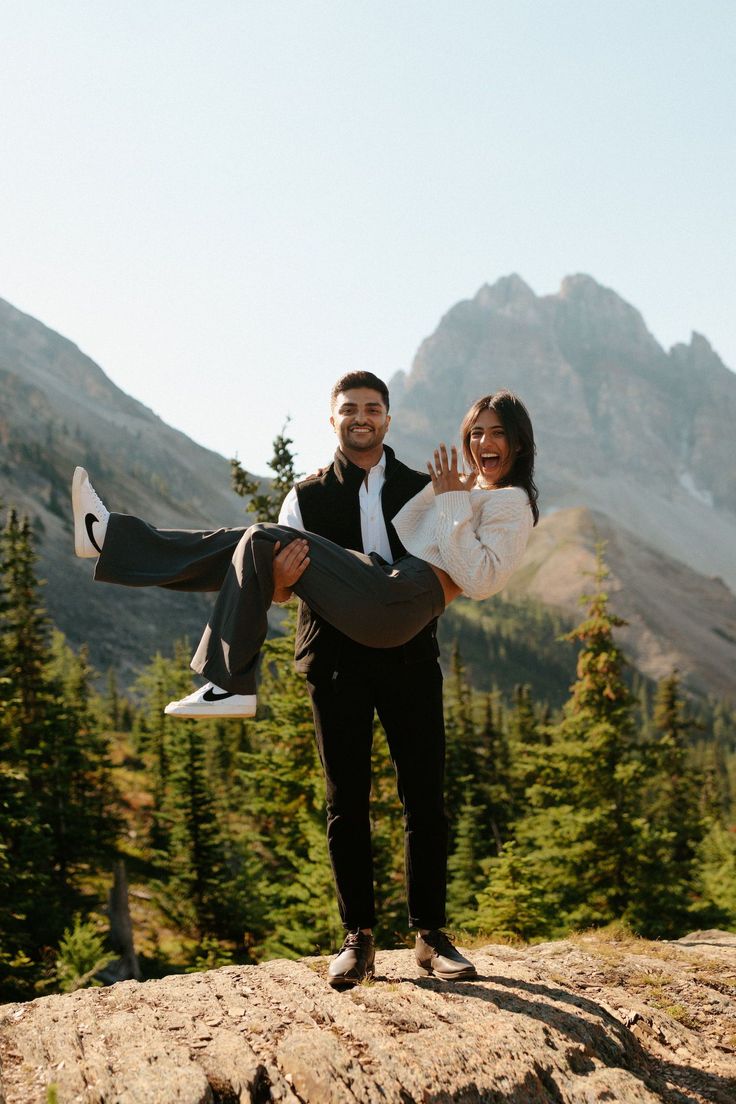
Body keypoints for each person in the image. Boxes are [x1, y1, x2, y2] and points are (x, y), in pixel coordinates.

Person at [72, 375, 538, 986]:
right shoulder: (330, 492)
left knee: (424, 799)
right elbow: (278, 584)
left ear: (388, 419)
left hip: (402, 627)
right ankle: (359, 939)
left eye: (497, 434)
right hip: (344, 646)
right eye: (476, 432)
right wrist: (286, 577)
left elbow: (477, 575)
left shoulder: (484, 498)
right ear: (334, 420)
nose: (483, 442)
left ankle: (430, 936)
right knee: (261, 546)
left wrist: (449, 499)